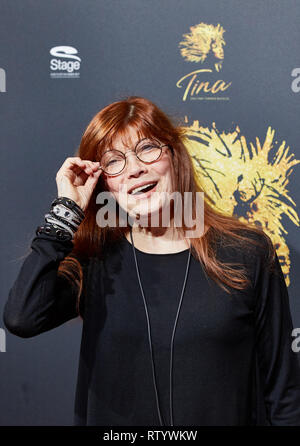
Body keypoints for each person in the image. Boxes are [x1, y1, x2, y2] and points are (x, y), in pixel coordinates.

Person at [3, 96, 300, 426]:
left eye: (147, 149)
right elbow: (21, 318)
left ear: (173, 155)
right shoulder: (96, 262)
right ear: (103, 183)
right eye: (114, 161)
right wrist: (65, 214)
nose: (134, 169)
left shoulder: (246, 252)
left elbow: (283, 391)